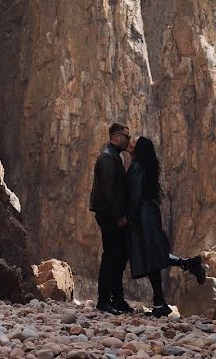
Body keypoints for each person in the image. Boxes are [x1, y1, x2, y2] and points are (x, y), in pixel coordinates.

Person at [126, 136, 206, 317]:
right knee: (153, 255)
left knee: (151, 255)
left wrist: (128, 217)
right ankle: (161, 301)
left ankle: (161, 302)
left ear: (139, 149)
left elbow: (135, 195)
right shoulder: (145, 165)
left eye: (133, 142)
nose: (130, 142)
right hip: (149, 212)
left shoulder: (138, 166)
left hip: (142, 215)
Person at [89, 122, 133, 314]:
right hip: (109, 216)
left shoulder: (112, 156)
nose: (128, 141)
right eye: (126, 137)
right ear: (116, 137)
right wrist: (118, 216)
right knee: (111, 257)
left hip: (110, 215)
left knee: (117, 256)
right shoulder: (108, 158)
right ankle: (104, 301)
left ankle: (116, 299)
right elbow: (108, 191)